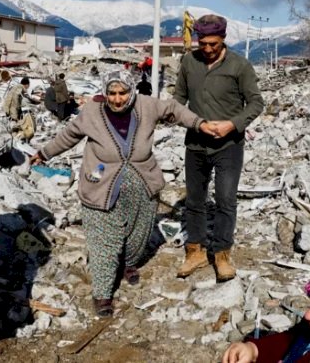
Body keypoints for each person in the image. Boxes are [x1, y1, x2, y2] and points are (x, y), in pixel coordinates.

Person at [30, 69, 216, 317]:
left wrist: (199, 123)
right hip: (101, 186)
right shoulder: (92, 113)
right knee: (104, 243)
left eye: (123, 92)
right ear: (105, 92)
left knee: (138, 235)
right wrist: (44, 153)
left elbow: (173, 109)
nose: (117, 99)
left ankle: (129, 263)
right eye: (112, 93)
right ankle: (103, 294)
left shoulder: (147, 105)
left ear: (132, 90)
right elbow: (69, 136)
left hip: (143, 184)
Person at [173, 14, 265, 282]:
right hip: (196, 143)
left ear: (223, 39)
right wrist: (188, 120)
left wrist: (232, 124)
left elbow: (256, 103)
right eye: (203, 43)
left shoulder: (240, 65)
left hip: (229, 145)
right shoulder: (189, 62)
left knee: (225, 199)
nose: (208, 49)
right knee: (194, 200)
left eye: (213, 43)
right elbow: (179, 99)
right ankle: (196, 251)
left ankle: (222, 253)